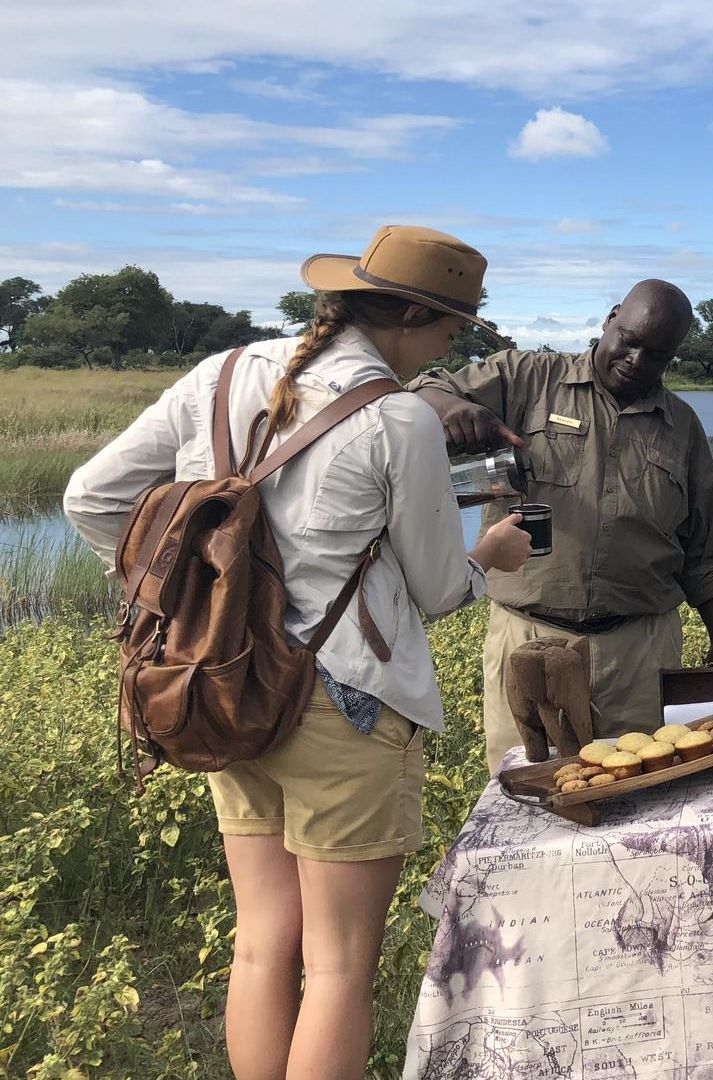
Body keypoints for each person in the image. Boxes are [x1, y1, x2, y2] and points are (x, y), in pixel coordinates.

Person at [63, 225, 533, 1080]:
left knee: (260, 945)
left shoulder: (222, 374)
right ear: (409, 317)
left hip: (225, 678)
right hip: (345, 700)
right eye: (452, 330)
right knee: (341, 966)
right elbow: (437, 591)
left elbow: (92, 498)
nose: (449, 350)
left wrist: (176, 597)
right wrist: (491, 552)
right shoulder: (399, 417)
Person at [409, 278, 713, 773]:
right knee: (526, 789)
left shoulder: (683, 427)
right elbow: (423, 389)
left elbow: (705, 552)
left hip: (641, 655)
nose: (636, 360)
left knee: (638, 792)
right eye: (629, 340)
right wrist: (453, 409)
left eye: (657, 354)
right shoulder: (524, 377)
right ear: (610, 319)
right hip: (528, 642)